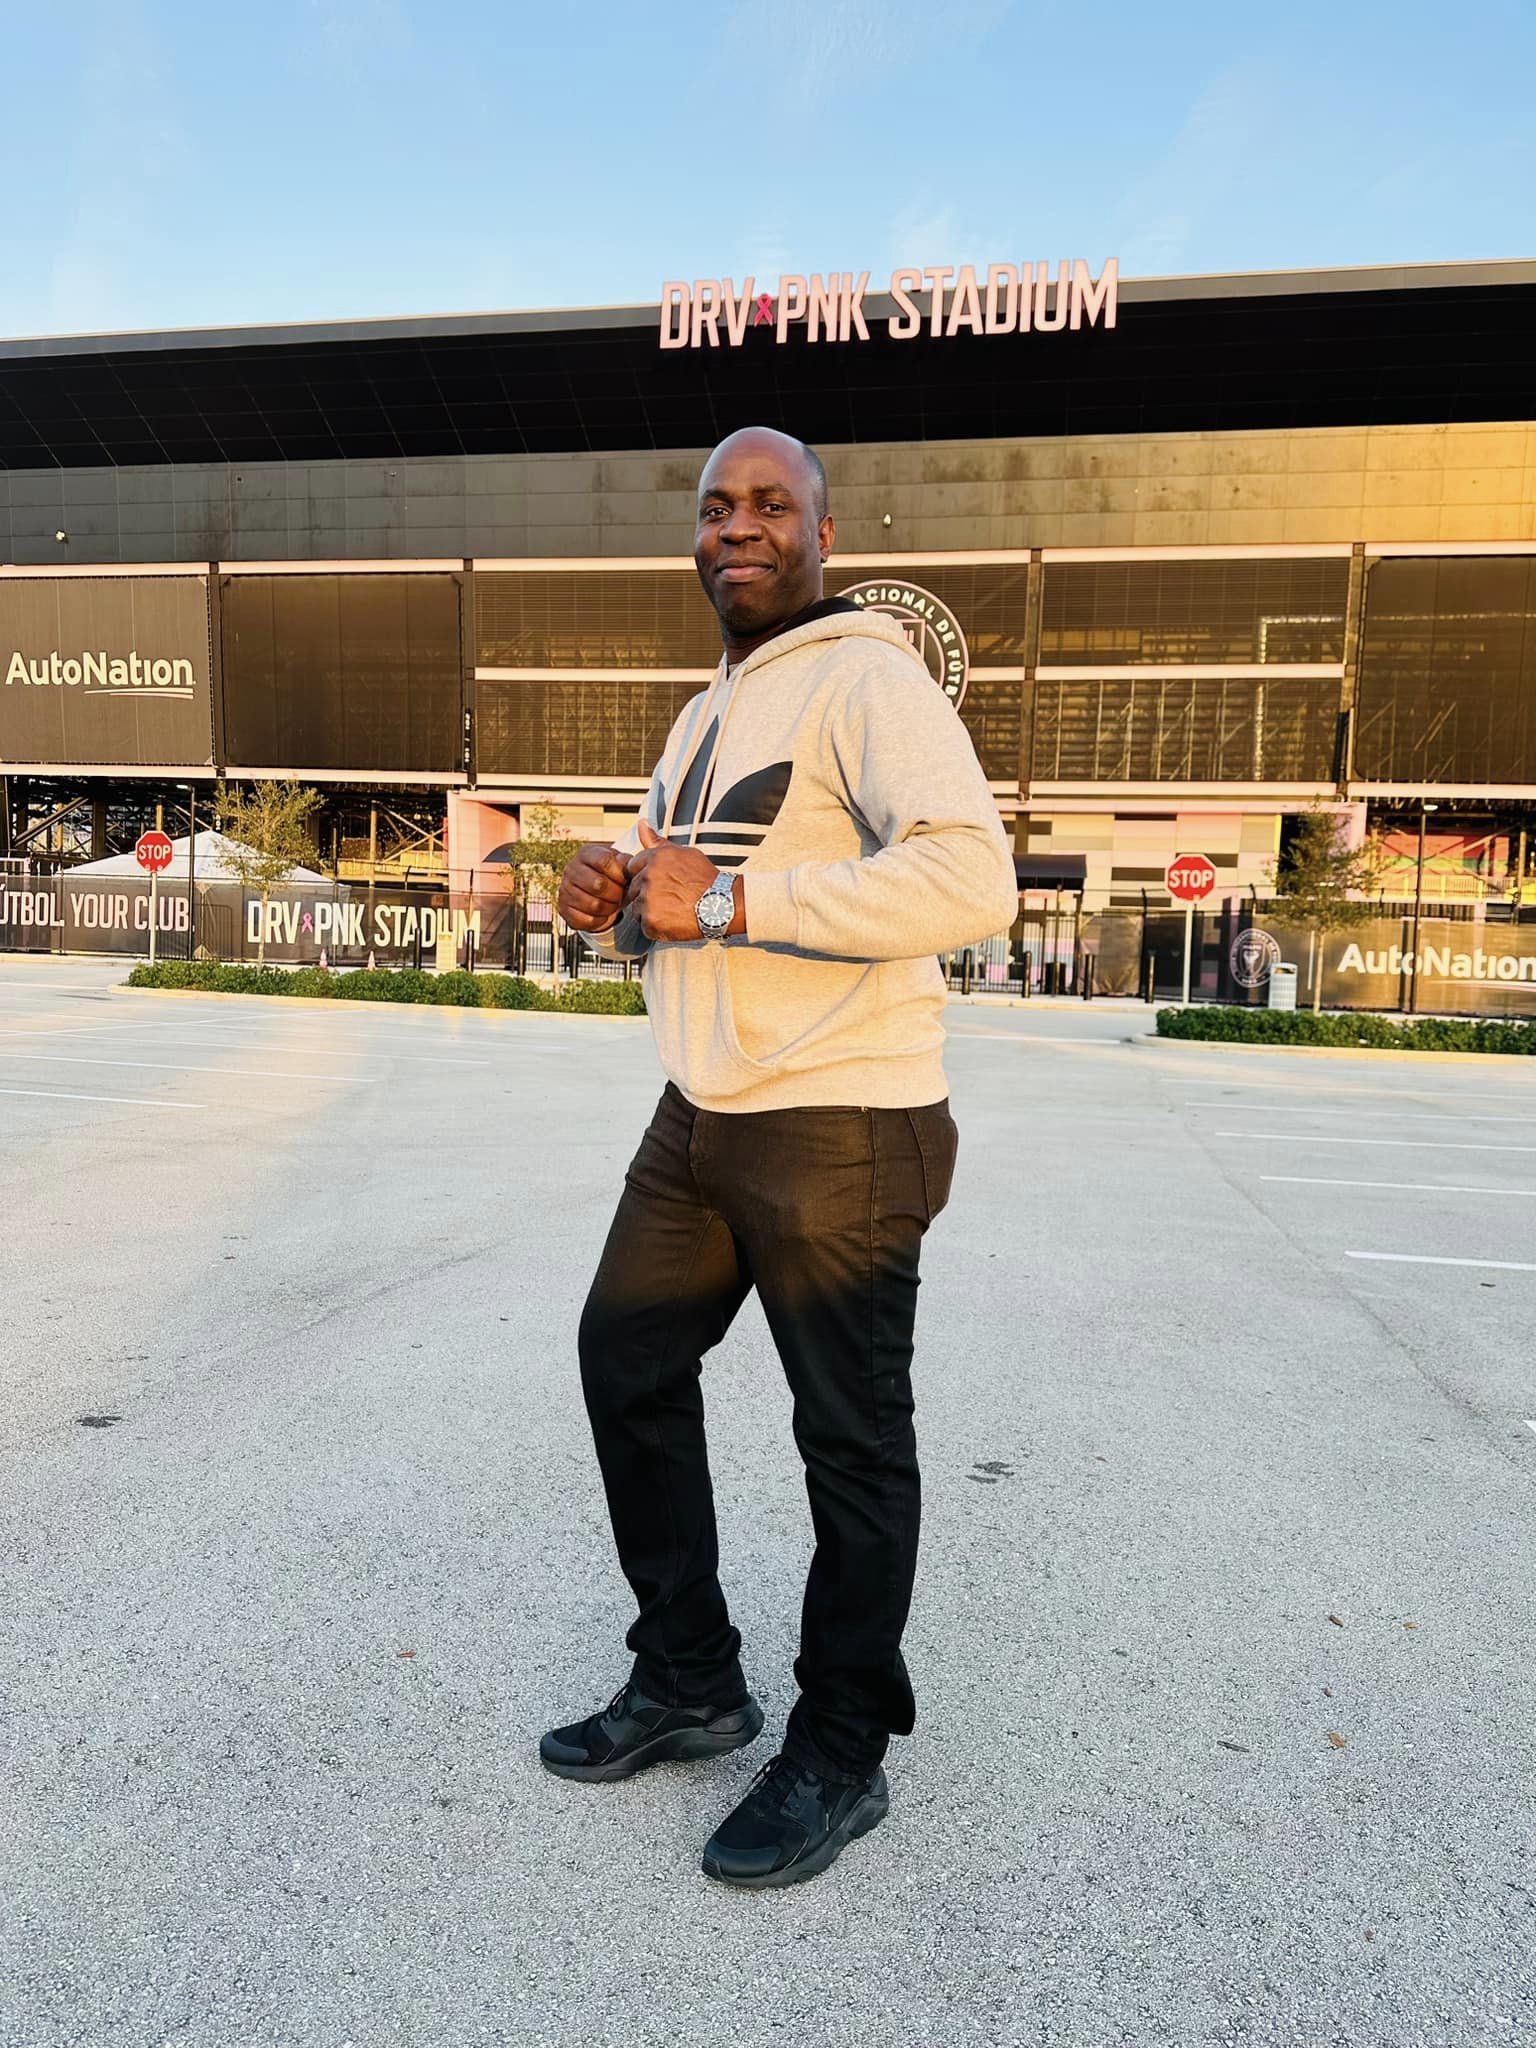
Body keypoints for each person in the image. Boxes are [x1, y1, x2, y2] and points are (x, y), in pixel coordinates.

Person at [547, 425, 1019, 1890]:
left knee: (849, 1440)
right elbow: (673, 904)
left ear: (823, 532)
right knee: (625, 1359)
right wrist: (612, 902)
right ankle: (692, 1677)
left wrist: (729, 904)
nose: (736, 526)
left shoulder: (871, 678)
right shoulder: (706, 709)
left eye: (768, 504)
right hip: (702, 1109)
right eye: (715, 507)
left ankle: (842, 1747)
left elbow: (971, 876)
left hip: (844, 1117)